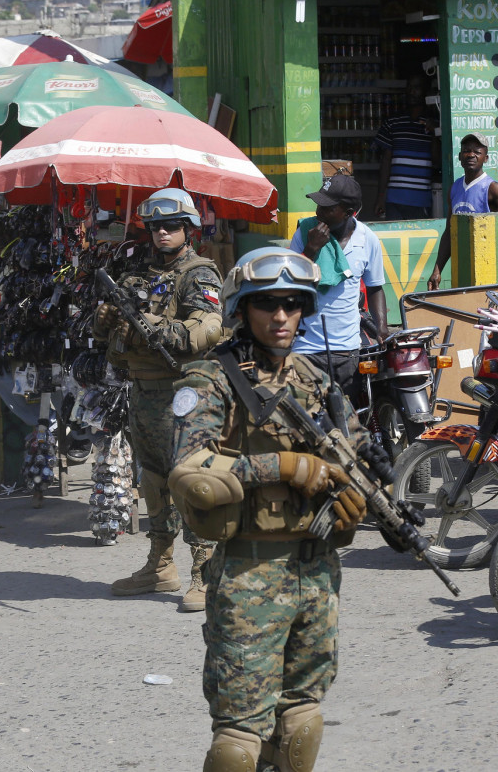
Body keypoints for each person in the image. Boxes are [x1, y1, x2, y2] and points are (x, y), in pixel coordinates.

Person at [169, 247, 369, 772]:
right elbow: (191, 469)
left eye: (292, 305)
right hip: (249, 570)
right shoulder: (211, 380)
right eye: (267, 305)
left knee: (302, 718)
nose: (280, 317)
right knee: (239, 736)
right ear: (243, 309)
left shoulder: (316, 382)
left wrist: (354, 501)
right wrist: (281, 466)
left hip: (317, 570)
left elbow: (358, 455)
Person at [91, 187, 224, 612]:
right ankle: (161, 565)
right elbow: (104, 339)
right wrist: (106, 320)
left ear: (188, 229)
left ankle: (205, 573)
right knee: (152, 480)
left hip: (184, 394)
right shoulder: (137, 276)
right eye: (154, 227)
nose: (161, 233)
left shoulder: (199, 275)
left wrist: (148, 322)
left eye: (170, 226)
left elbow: (203, 333)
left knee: (191, 481)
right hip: (143, 392)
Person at [290, 173, 387, 401]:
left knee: (346, 421)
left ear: (348, 212)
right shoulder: (304, 233)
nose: (318, 212)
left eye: (327, 208)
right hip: (305, 349)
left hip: (347, 351)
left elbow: (375, 288)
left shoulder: (367, 239)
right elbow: (290, 283)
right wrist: (311, 250)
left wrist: (381, 327)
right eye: (318, 205)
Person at [426, 134, 498, 291]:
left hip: (488, 273)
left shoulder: (492, 188)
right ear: (459, 157)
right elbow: (450, 233)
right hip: (462, 271)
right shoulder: (454, 188)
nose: (471, 154)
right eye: (466, 151)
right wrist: (437, 271)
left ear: (485, 158)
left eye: (477, 152)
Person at [373, 76, 438, 220]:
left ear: (425, 92)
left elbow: (437, 161)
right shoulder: (393, 122)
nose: (412, 91)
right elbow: (385, 162)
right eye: (409, 87)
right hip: (393, 200)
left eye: (417, 87)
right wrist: (381, 197)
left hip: (421, 200)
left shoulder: (434, 123)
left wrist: (434, 133)